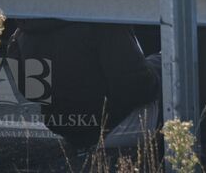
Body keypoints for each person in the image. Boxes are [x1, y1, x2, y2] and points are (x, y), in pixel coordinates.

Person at [13, 19, 160, 149]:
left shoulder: (27, 23)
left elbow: (31, 92)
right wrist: (158, 64)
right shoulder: (104, 20)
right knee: (171, 67)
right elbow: (139, 89)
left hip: (65, 128)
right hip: (113, 127)